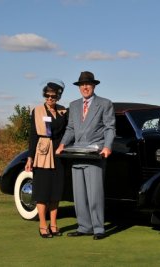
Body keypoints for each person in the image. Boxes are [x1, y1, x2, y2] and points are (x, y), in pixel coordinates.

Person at [56, 71, 115, 240]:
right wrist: (62, 145)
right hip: (76, 152)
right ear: (79, 87)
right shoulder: (74, 105)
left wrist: (108, 147)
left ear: (94, 86)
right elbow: (70, 129)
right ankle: (84, 226)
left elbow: (110, 127)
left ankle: (98, 228)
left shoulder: (105, 104)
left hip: (95, 153)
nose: (85, 87)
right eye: (82, 85)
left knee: (95, 193)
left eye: (88, 84)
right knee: (79, 194)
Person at [25, 80, 68, 238]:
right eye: (47, 96)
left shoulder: (63, 111)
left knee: (56, 192)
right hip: (42, 153)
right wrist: (30, 157)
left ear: (58, 97)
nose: (50, 99)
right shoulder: (37, 111)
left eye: (53, 96)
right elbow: (33, 135)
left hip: (58, 154)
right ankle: (43, 225)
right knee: (43, 191)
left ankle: (54, 224)